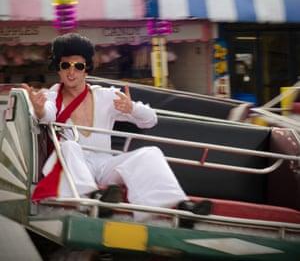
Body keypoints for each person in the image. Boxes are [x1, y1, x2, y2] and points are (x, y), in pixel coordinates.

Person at [23, 33, 212, 226]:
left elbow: (150, 120)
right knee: (69, 146)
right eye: (65, 66)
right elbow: (47, 114)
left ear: (86, 69)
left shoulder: (107, 96)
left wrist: (132, 109)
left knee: (150, 153)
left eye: (78, 66)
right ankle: (92, 198)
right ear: (58, 69)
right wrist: (38, 109)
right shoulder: (50, 97)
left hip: (105, 165)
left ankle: (181, 207)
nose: (72, 72)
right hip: (75, 165)